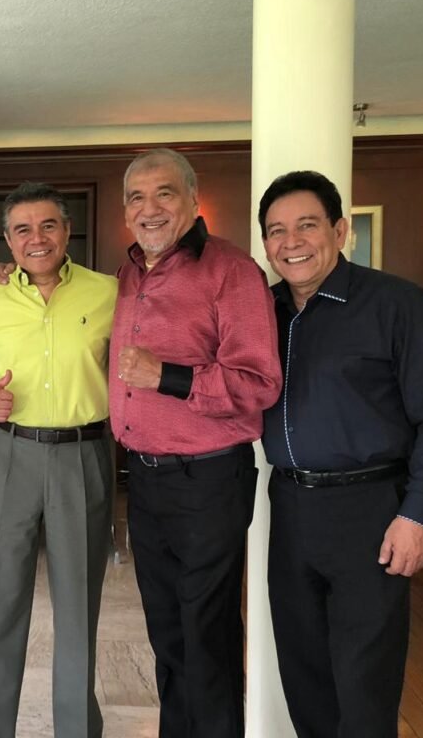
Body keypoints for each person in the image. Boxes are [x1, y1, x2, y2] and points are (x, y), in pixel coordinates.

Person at [257, 170, 423, 738]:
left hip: (371, 509)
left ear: (339, 229)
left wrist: (419, 514)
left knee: (365, 678)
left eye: (306, 226)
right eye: (276, 231)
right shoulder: (263, 310)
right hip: (291, 505)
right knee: (303, 670)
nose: (291, 242)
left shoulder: (396, 304)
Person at [109, 149, 282, 738]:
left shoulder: (232, 271)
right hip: (147, 480)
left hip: (209, 480)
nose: (149, 208)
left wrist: (168, 376)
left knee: (206, 633)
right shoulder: (129, 274)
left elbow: (260, 383)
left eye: (164, 194)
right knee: (166, 632)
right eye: (136, 197)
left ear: (191, 198)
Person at [0, 181, 118, 738]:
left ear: (67, 231)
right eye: (23, 229)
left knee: (79, 609)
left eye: (48, 225)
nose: (37, 238)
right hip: (9, 455)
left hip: (84, 454)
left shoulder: (108, 292)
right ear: (7, 240)